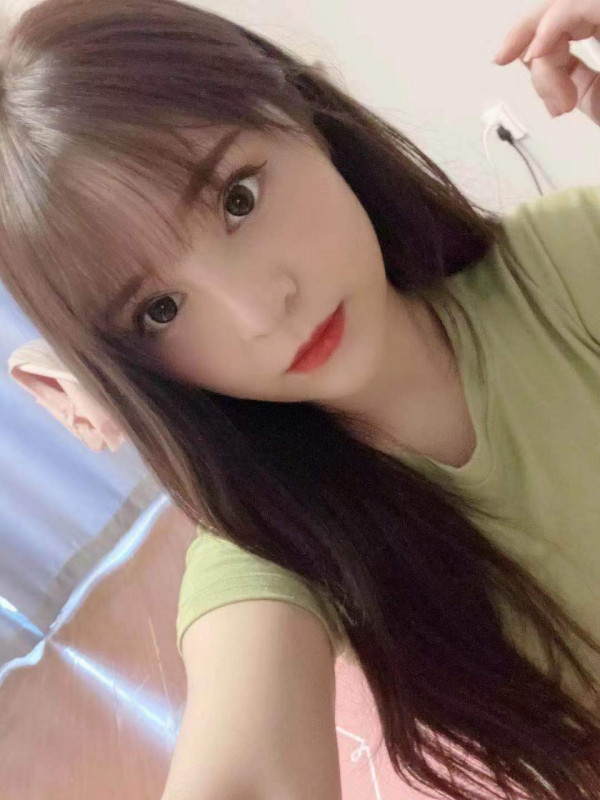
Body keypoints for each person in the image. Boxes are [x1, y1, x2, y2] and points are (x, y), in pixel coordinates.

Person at [1, 0, 600, 797]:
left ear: (301, 110)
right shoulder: (274, 546)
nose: (260, 313)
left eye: (237, 199)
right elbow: (244, 771)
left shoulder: (564, 267)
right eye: (160, 310)